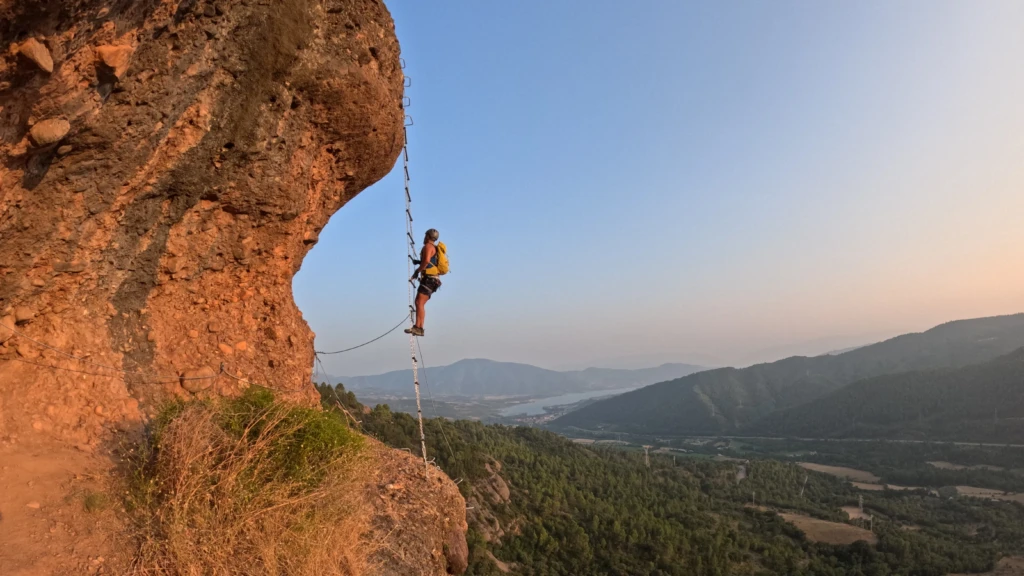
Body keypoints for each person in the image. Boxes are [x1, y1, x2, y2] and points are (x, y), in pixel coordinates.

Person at [405, 228, 442, 336]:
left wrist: (417, 271)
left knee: (419, 302)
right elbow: (429, 261)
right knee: (419, 303)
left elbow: (426, 261)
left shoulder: (428, 246)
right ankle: (419, 328)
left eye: (425, 235)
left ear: (428, 236)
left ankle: (418, 327)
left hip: (429, 279)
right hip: (434, 280)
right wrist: (418, 262)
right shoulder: (434, 248)